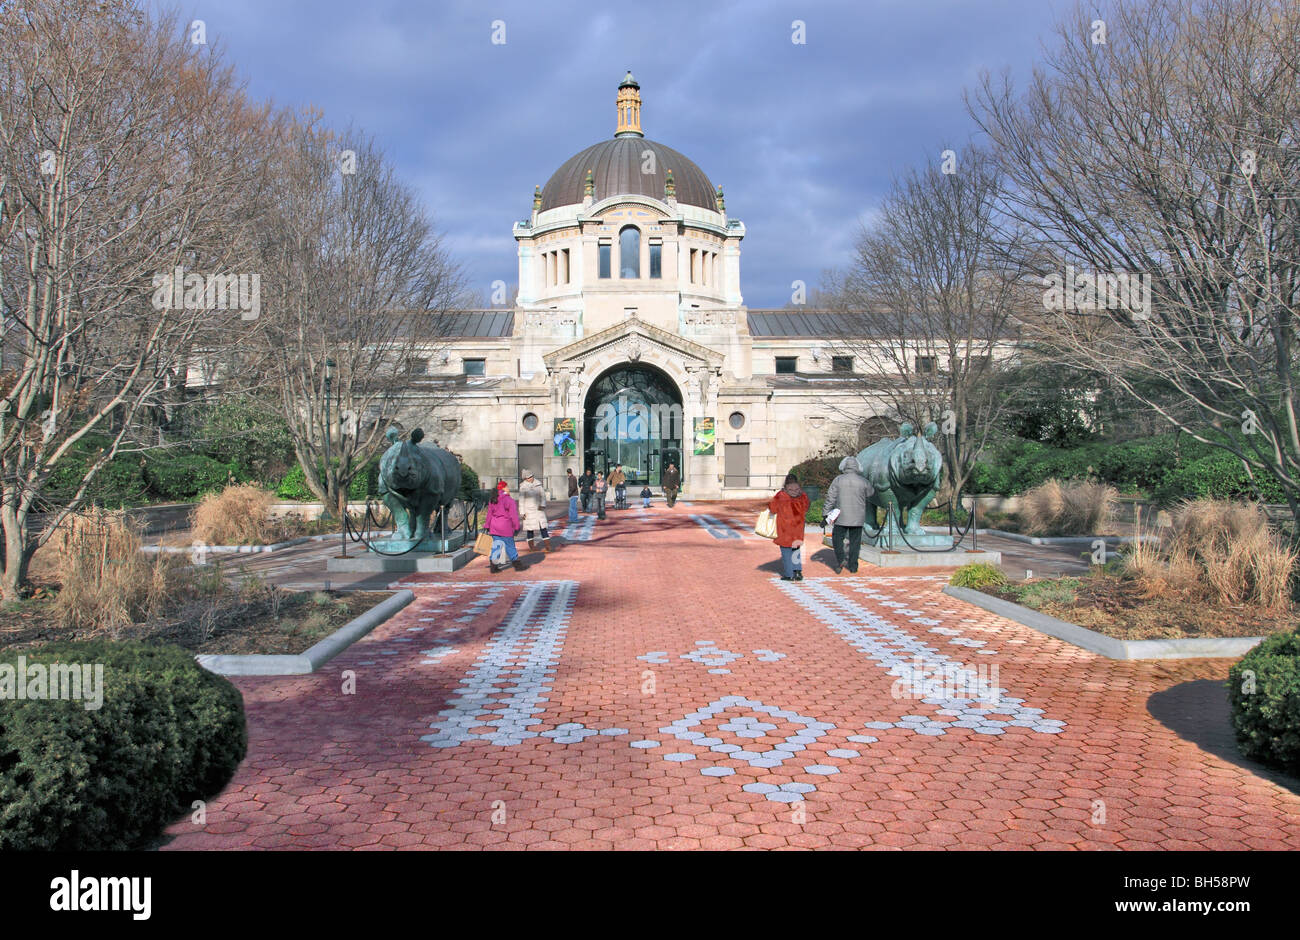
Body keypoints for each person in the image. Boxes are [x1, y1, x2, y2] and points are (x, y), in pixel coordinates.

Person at [824, 455, 874, 574]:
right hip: (858, 517)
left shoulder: (838, 480)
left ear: (844, 466)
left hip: (841, 517)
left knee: (837, 538)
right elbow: (871, 493)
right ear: (857, 467)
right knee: (855, 542)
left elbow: (831, 497)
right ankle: (853, 566)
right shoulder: (863, 481)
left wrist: (826, 513)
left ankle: (841, 558)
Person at [768, 473, 810, 581]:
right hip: (798, 527)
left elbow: (773, 508)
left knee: (786, 550)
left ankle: (789, 574)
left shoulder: (781, 495)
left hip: (785, 527)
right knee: (796, 549)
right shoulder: (802, 495)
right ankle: (798, 572)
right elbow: (806, 507)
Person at [484, 480, 523, 573]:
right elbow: (513, 515)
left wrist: (487, 525)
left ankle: (493, 567)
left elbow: (489, 514)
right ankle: (517, 565)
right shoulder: (509, 500)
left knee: (496, 546)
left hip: (494, 526)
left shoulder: (493, 499)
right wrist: (517, 527)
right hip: (505, 526)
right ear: (504, 488)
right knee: (510, 546)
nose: (508, 489)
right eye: (507, 487)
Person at [519, 469, 550, 552]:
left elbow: (543, 496)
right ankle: (532, 546)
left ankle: (548, 546)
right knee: (530, 529)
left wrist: (542, 505)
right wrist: (522, 512)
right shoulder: (523, 487)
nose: (531, 478)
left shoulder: (538, 484)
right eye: (529, 477)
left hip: (539, 510)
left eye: (532, 476)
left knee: (543, 527)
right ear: (525, 479)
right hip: (528, 511)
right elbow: (521, 501)